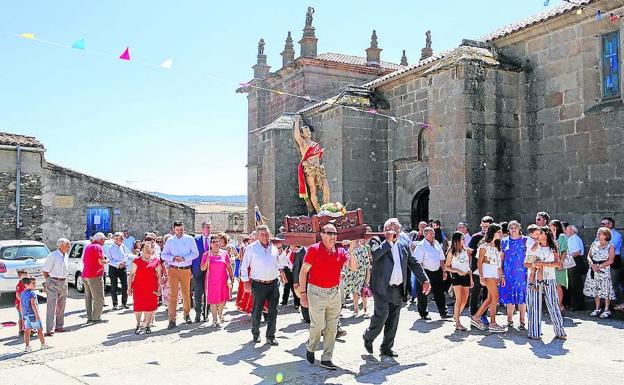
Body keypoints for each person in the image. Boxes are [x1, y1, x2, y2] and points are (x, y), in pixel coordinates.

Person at [363, 218, 431, 358]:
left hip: (398, 288)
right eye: (391, 229)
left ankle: (386, 347)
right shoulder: (376, 240)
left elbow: (414, 263)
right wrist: (388, 242)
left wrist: (424, 279)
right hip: (382, 287)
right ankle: (368, 336)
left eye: (397, 229)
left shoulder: (403, 244)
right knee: (381, 316)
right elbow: (375, 255)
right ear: (385, 230)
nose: (395, 232)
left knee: (393, 319)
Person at [299, 224, 358, 370]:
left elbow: (354, 268)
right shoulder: (313, 249)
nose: (333, 236)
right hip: (316, 293)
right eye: (329, 233)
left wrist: (351, 251)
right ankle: (311, 347)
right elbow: (303, 272)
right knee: (318, 325)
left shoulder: (340, 251)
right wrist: (303, 294)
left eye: (335, 233)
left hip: (334, 293)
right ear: (322, 235)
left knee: (332, 328)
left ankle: (326, 358)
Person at [240, 225, 286, 346]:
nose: (265, 237)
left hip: (273, 283)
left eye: (266, 234)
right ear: (257, 236)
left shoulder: (275, 248)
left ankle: (270, 336)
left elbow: (282, 264)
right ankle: (255, 333)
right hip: (258, 284)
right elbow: (244, 266)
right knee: (257, 310)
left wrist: (281, 252)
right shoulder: (251, 248)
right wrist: (245, 282)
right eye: (262, 234)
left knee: (273, 311)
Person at [526, 226, 566, 340]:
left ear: (546, 234)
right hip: (534, 280)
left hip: (549, 278)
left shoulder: (553, 247)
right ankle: (534, 333)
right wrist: (534, 265)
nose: (538, 235)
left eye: (541, 233)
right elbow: (526, 264)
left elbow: (558, 264)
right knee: (534, 306)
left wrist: (544, 264)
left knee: (553, 304)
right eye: (537, 233)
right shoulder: (533, 247)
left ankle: (560, 331)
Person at [161, 220, 200, 329]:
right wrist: (173, 258)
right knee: (172, 295)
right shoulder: (170, 241)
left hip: (185, 269)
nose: (179, 231)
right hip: (173, 269)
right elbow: (163, 255)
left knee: (186, 294)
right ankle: (172, 319)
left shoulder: (189, 239)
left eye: (181, 229)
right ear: (173, 229)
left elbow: (195, 253)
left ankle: (186, 315)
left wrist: (185, 258)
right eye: (177, 229)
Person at [470, 223, 506, 332]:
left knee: (491, 298)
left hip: (495, 272)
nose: (500, 234)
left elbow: (498, 264)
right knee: (495, 296)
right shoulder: (483, 245)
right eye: (498, 232)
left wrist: (502, 275)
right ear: (493, 232)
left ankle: (476, 317)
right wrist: (481, 276)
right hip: (487, 272)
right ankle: (493, 323)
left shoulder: (497, 246)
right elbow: (479, 262)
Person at [413, 227, 449, 320]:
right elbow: (418, 262)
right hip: (425, 271)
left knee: (440, 292)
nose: (433, 235)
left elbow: (441, 258)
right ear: (425, 235)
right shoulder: (421, 246)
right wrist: (422, 276)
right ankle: (423, 313)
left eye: (433, 233)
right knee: (423, 293)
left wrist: (444, 271)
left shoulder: (436, 243)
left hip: (437, 271)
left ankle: (443, 312)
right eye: (431, 234)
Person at [498, 221, 527, 329]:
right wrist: (501, 273)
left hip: (522, 273)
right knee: (510, 297)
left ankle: (522, 321)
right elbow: (501, 258)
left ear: (519, 228)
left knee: (522, 297)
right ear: (508, 230)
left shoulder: (525, 240)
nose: (513, 229)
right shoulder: (504, 241)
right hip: (508, 273)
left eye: (515, 227)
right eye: (511, 228)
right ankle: (509, 320)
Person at [128, 242, 161, 334]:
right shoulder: (137, 261)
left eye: (149, 249)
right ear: (142, 250)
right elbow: (131, 275)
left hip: (152, 287)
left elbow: (159, 275)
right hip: (139, 287)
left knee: (150, 306)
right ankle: (138, 325)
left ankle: (147, 325)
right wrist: (129, 287)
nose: (147, 251)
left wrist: (159, 288)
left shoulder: (156, 261)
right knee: (138, 306)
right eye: (146, 249)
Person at [201, 235, 234, 327]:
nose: (216, 244)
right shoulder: (206, 254)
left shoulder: (224, 253)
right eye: (213, 242)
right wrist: (207, 261)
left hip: (223, 280)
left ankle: (220, 313)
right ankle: (215, 319)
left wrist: (231, 277)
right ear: (210, 244)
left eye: (217, 241)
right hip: (211, 281)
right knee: (213, 301)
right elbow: (202, 269)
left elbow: (228, 266)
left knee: (223, 299)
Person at [584, 227, 616, 318]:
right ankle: (597, 308)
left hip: (604, 270)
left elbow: (611, 260)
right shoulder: (594, 244)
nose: (597, 235)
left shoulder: (610, 246)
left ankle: (606, 309)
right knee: (595, 288)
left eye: (599, 233)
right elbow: (589, 256)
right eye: (598, 233)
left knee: (605, 289)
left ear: (606, 235)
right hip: (593, 269)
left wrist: (599, 266)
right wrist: (592, 264)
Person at [467, 216, 494, 326]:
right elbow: (469, 253)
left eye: (487, 226)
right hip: (476, 269)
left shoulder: (494, 237)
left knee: (488, 293)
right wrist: (469, 268)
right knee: (475, 292)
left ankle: (483, 314)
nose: (484, 229)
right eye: (483, 226)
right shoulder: (476, 237)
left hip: (489, 269)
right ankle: (474, 315)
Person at [444, 232, 472, 331]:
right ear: (456, 240)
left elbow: (468, 266)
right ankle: (458, 323)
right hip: (457, 276)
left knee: (465, 300)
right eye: (462, 239)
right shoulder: (452, 251)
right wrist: (457, 271)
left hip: (467, 276)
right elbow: (446, 266)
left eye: (464, 239)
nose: (463, 241)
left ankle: (456, 316)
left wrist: (471, 279)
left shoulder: (466, 250)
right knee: (459, 299)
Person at [42, 238, 70, 336]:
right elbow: (45, 271)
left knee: (62, 305)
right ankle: (50, 329)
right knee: (51, 305)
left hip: (63, 281)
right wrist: (49, 282)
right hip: (53, 281)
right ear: (61, 245)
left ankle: (59, 326)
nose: (69, 247)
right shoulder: (52, 255)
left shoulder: (65, 255)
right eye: (68, 245)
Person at [83, 232, 108, 324]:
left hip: (85, 274)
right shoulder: (98, 247)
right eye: (104, 239)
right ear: (100, 239)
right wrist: (107, 260)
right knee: (99, 297)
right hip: (94, 275)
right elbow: (101, 262)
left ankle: (89, 317)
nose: (104, 241)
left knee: (88, 297)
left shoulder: (88, 246)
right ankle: (96, 317)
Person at [597, 217, 623, 308]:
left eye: (603, 224)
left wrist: (600, 245)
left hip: (614, 260)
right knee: (603, 283)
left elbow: (608, 246)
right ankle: (607, 304)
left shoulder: (617, 235)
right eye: (601, 224)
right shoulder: (600, 234)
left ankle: (618, 303)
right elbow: (595, 245)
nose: (601, 225)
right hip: (602, 260)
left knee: (613, 283)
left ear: (610, 224)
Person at [21, 276, 50, 352]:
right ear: (26, 285)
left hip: (26, 315)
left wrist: (22, 315)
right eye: (32, 283)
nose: (35, 285)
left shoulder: (22, 293)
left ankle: (27, 346)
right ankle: (43, 344)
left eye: (35, 283)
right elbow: (33, 304)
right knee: (40, 329)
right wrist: (37, 315)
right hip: (33, 315)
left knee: (27, 331)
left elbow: (21, 305)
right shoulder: (32, 293)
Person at [343, 238, 372, 316]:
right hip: (352, 274)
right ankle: (356, 309)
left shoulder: (363, 248)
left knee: (363, 292)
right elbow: (346, 260)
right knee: (355, 292)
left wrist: (367, 275)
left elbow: (367, 263)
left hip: (361, 274)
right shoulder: (349, 249)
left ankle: (365, 309)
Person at [106, 233, 132, 310]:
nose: (119, 240)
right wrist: (118, 264)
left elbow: (128, 255)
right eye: (117, 239)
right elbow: (108, 260)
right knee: (114, 286)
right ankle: (115, 304)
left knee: (125, 285)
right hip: (113, 268)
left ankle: (124, 303)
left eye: (120, 239)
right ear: (114, 239)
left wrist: (124, 262)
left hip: (123, 268)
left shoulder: (123, 246)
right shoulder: (109, 247)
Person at [193, 221, 211, 323]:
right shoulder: (195, 240)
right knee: (198, 292)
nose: (208, 229)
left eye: (209, 227)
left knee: (208, 292)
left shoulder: (213, 240)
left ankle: (206, 313)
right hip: (197, 270)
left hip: (210, 271)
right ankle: (198, 313)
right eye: (206, 227)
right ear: (202, 229)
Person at [565, 224, 585, 310]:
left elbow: (577, 252)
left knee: (576, 284)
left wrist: (567, 260)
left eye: (567, 229)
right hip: (572, 261)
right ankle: (573, 304)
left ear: (572, 230)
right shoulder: (571, 238)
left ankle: (578, 306)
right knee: (571, 284)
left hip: (575, 261)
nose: (565, 231)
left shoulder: (575, 239)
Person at [550, 220, 568, 312]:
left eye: (552, 226)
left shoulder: (561, 237)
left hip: (559, 263)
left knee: (558, 285)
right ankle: (555, 305)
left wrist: (560, 262)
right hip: (552, 264)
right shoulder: (551, 237)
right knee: (553, 285)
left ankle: (560, 305)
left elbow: (564, 251)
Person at [291, 244, 310, 322]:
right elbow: (296, 267)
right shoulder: (300, 252)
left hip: (314, 280)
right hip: (303, 279)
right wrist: (296, 281)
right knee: (303, 296)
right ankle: (306, 317)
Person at [525, 225, 545, 291]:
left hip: (534, 256)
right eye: (536, 234)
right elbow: (533, 249)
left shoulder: (534, 239)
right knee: (540, 266)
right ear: (531, 234)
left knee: (533, 271)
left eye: (539, 233)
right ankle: (540, 280)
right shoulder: (530, 240)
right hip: (531, 256)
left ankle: (531, 283)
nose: (538, 235)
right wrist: (536, 243)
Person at [15, 269, 27, 336]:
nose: (25, 277)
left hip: (25, 304)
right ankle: (21, 330)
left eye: (26, 276)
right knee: (21, 317)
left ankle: (26, 329)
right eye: (23, 276)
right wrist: (23, 301)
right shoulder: (19, 285)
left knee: (25, 316)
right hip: (20, 304)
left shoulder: (26, 284)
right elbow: (17, 295)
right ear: (19, 277)